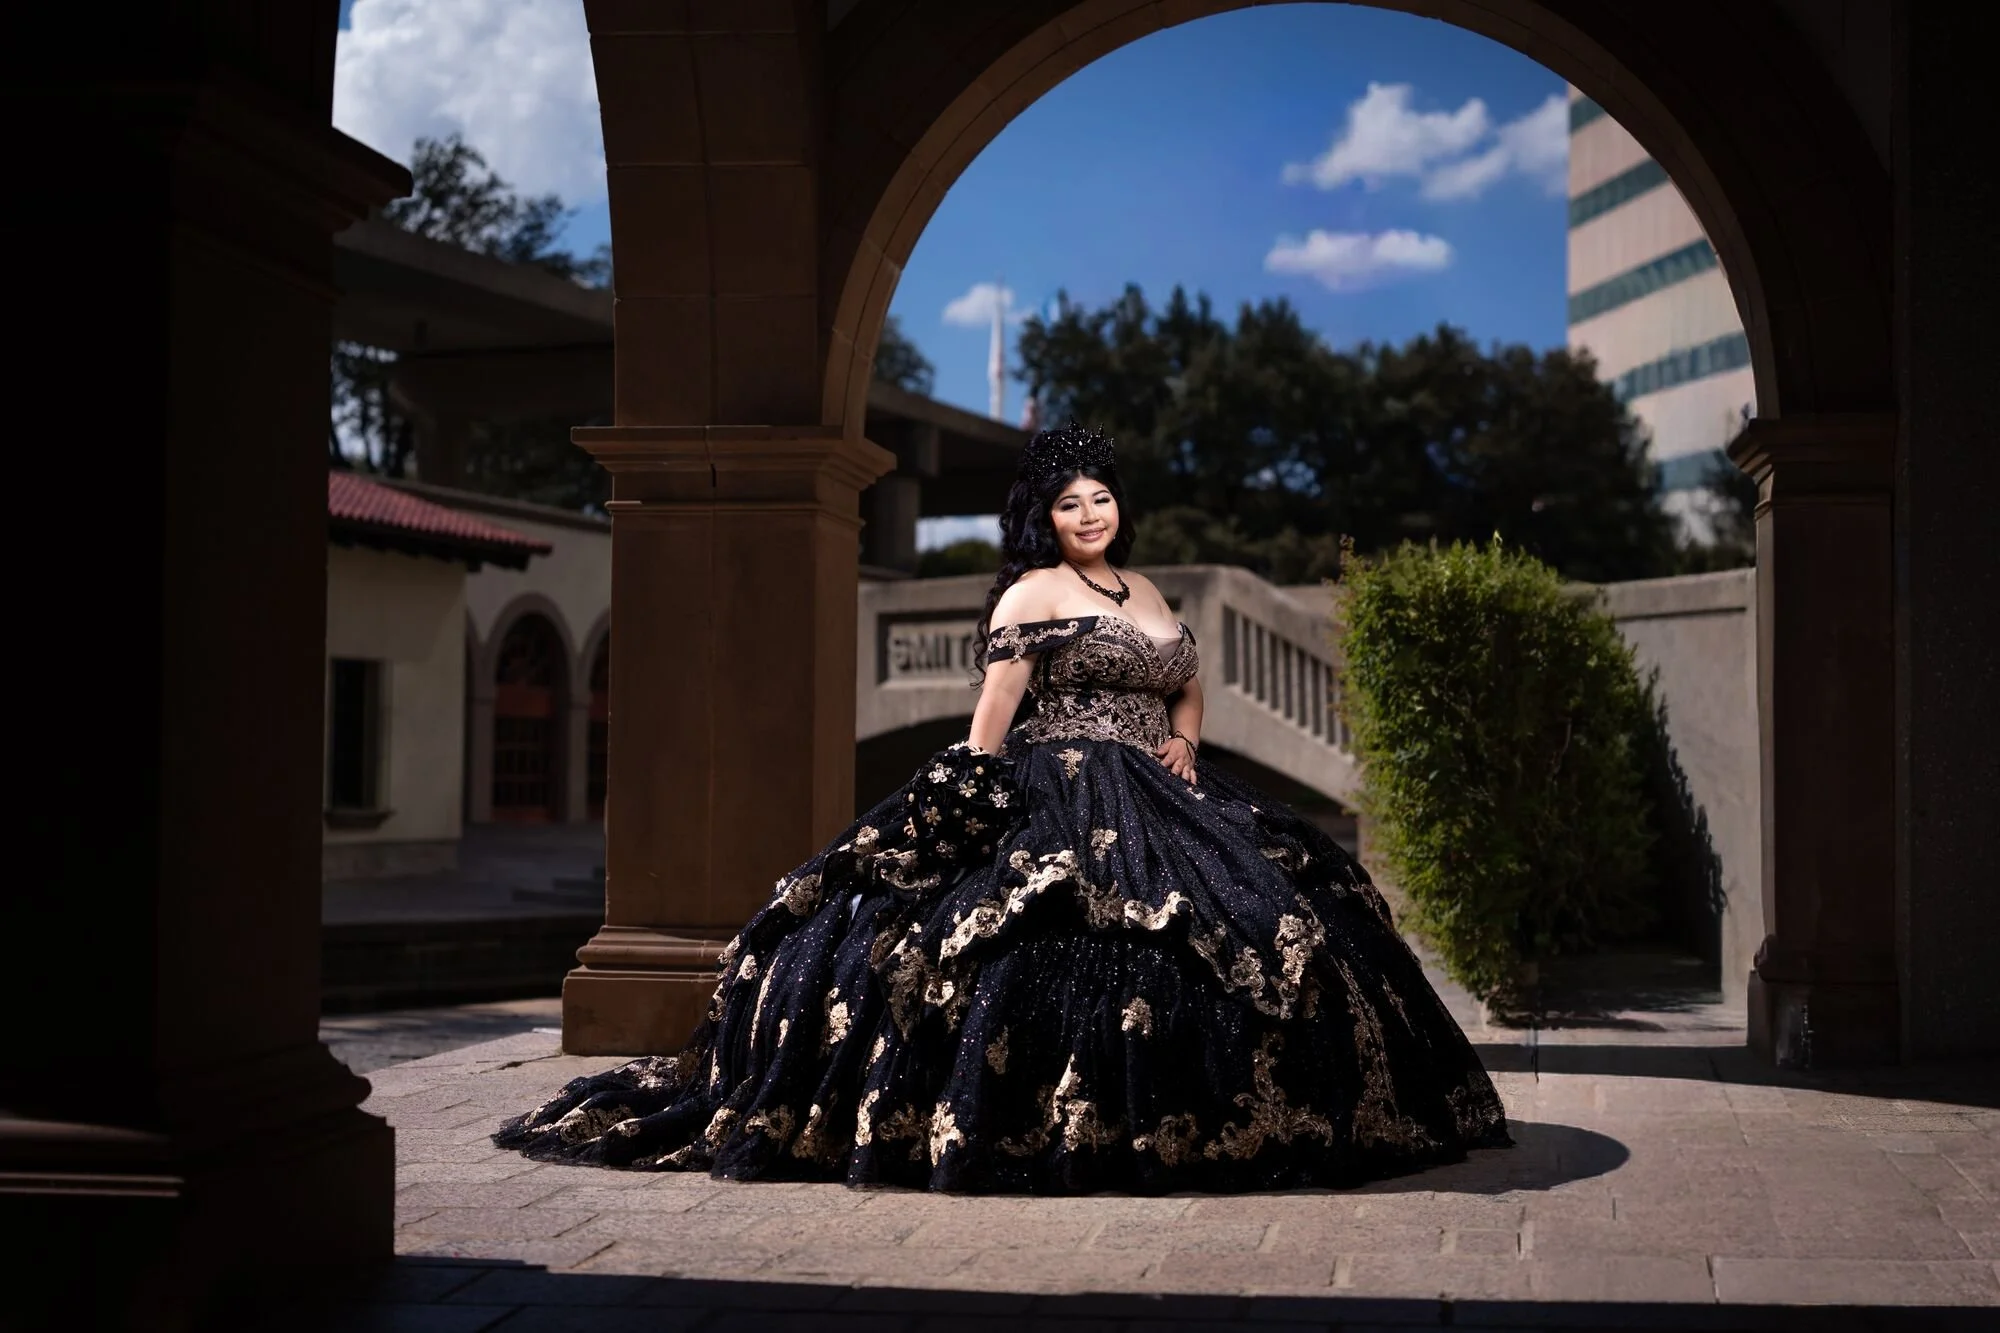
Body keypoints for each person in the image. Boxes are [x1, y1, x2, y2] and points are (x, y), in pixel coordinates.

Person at [494, 423, 1509, 1193]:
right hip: (1057, 778)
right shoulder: (1028, 595)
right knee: (1041, 938)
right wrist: (959, 806)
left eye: (1100, 498)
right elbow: (993, 715)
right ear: (1044, 517)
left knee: (1269, 914)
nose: (1088, 515)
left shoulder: (1146, 588)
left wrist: (1184, 738)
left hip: (1162, 782)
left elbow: (1184, 679)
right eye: (1069, 504)